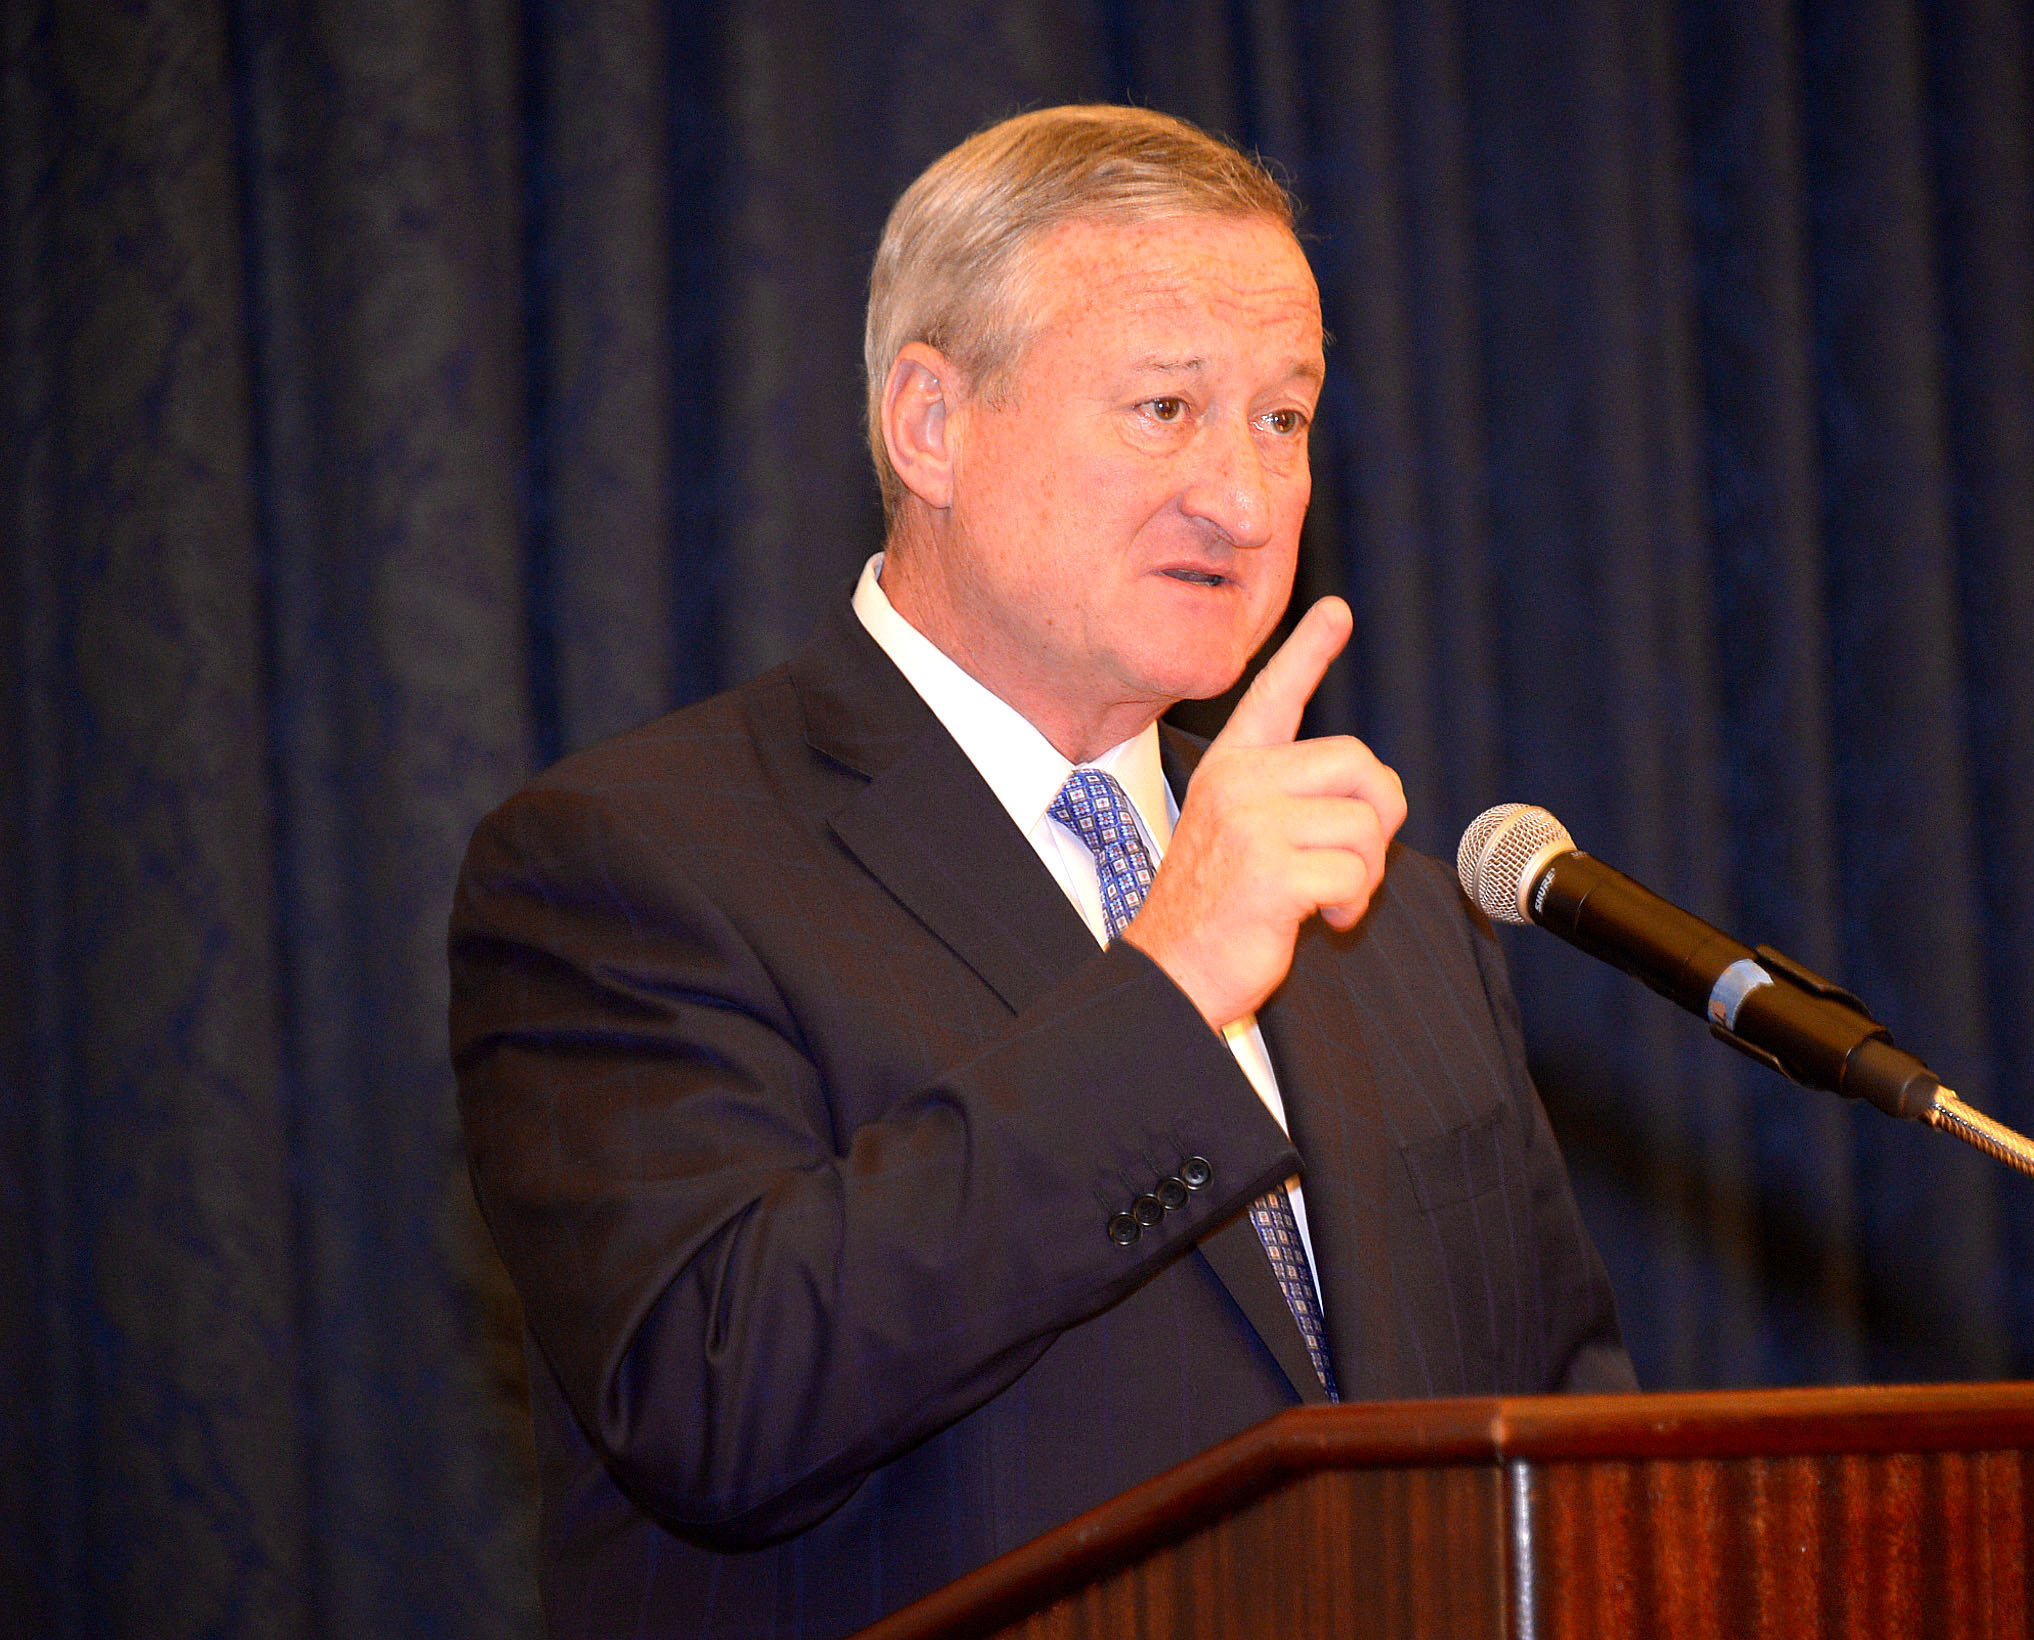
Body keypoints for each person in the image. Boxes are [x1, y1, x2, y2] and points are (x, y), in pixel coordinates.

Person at [450, 104, 1634, 1640]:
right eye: (1165, 408)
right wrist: (1168, 994)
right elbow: (715, 1394)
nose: (1250, 495)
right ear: (929, 424)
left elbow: (1557, 1406)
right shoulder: (630, 861)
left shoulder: (1381, 906)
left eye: (1285, 418)